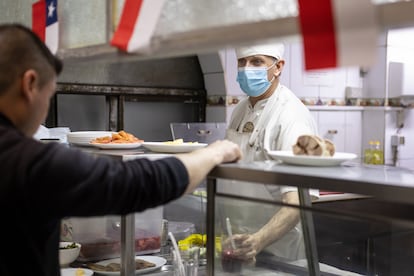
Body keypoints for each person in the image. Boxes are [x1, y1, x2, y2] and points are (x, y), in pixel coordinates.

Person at [0, 23, 242, 276]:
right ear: (29, 84)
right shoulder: (25, 161)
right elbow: (137, 183)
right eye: (48, 96)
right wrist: (213, 153)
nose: (45, 109)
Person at [219, 42, 319, 264]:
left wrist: (258, 241)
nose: (247, 69)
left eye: (256, 62)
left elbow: (299, 199)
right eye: (241, 63)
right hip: (238, 242)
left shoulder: (293, 116)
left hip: (278, 251)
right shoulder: (240, 109)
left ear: (278, 67)